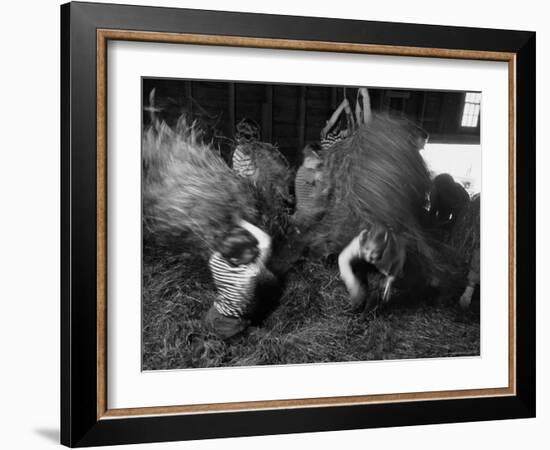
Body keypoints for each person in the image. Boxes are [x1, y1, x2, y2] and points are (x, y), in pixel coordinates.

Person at [205, 218, 272, 339]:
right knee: (267, 337)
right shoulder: (248, 275)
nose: (256, 251)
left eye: (254, 246)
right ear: (236, 260)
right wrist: (239, 220)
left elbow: (224, 244)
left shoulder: (215, 260)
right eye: (250, 252)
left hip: (214, 313)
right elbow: (266, 241)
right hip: (228, 324)